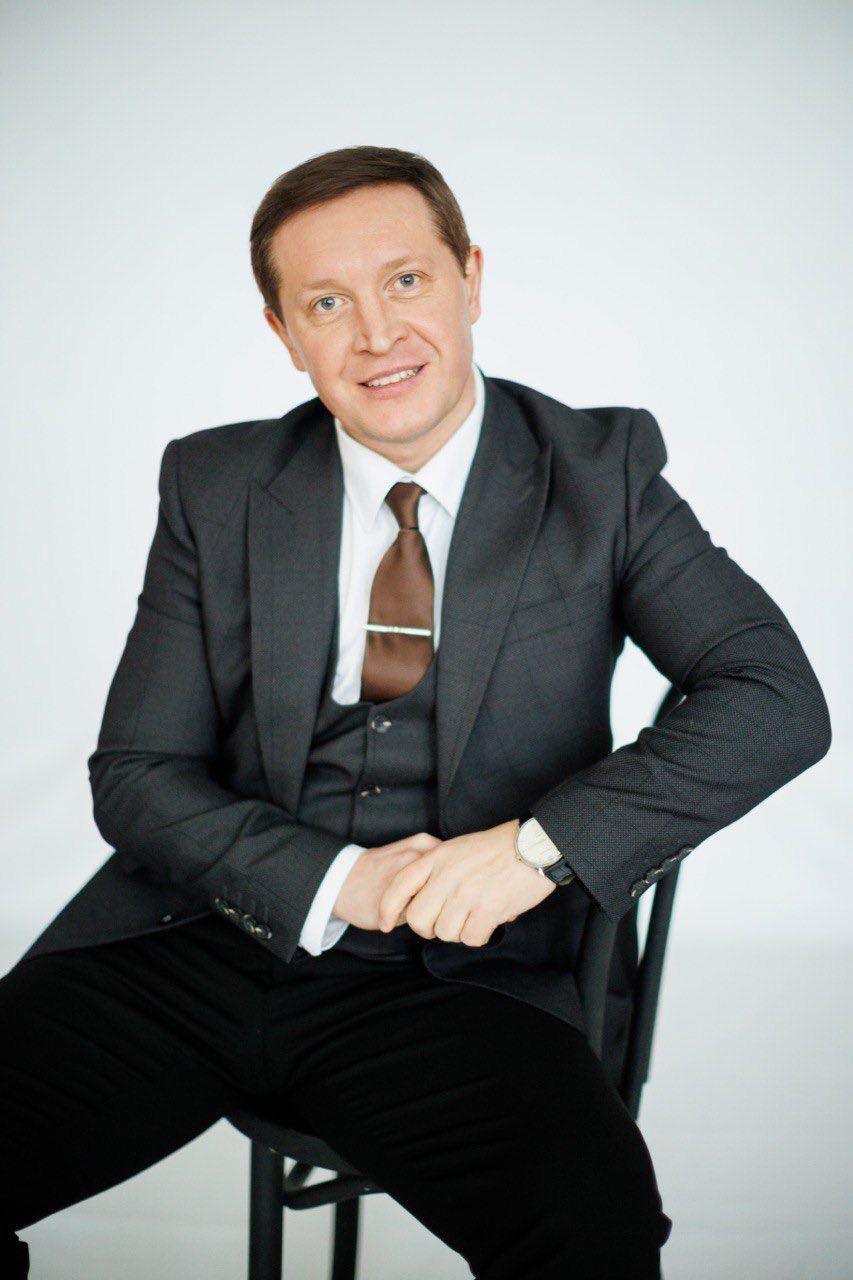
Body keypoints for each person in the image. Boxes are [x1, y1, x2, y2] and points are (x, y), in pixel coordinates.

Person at [0, 145, 831, 1280]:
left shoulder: (601, 471)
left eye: (405, 281)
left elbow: (773, 697)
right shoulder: (215, 483)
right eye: (326, 304)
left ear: (470, 280)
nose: (375, 335)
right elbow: (138, 774)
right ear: (283, 333)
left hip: (468, 979)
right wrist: (335, 880)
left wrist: (535, 851)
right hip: (204, 932)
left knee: (591, 1238)